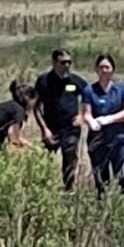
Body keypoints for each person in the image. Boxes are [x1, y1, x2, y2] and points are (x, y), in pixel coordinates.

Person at [33, 49, 88, 191]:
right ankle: (42, 190)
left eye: (69, 62)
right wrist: (44, 129)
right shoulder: (44, 81)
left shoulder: (75, 81)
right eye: (63, 62)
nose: (67, 65)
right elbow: (36, 107)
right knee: (43, 160)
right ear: (54, 63)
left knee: (70, 160)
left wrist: (83, 115)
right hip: (51, 128)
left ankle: (68, 190)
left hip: (70, 128)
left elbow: (90, 96)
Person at [83, 54, 124, 197]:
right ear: (96, 69)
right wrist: (91, 121)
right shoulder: (90, 90)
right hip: (98, 140)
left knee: (123, 175)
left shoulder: (121, 89)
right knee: (101, 177)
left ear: (112, 70)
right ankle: (102, 206)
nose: (104, 70)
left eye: (107, 67)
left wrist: (110, 119)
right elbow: (86, 112)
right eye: (101, 67)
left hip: (119, 139)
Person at [0, 80, 38, 152]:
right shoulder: (18, 111)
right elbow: (13, 135)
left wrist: (30, 145)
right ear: (28, 98)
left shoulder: (9, 106)